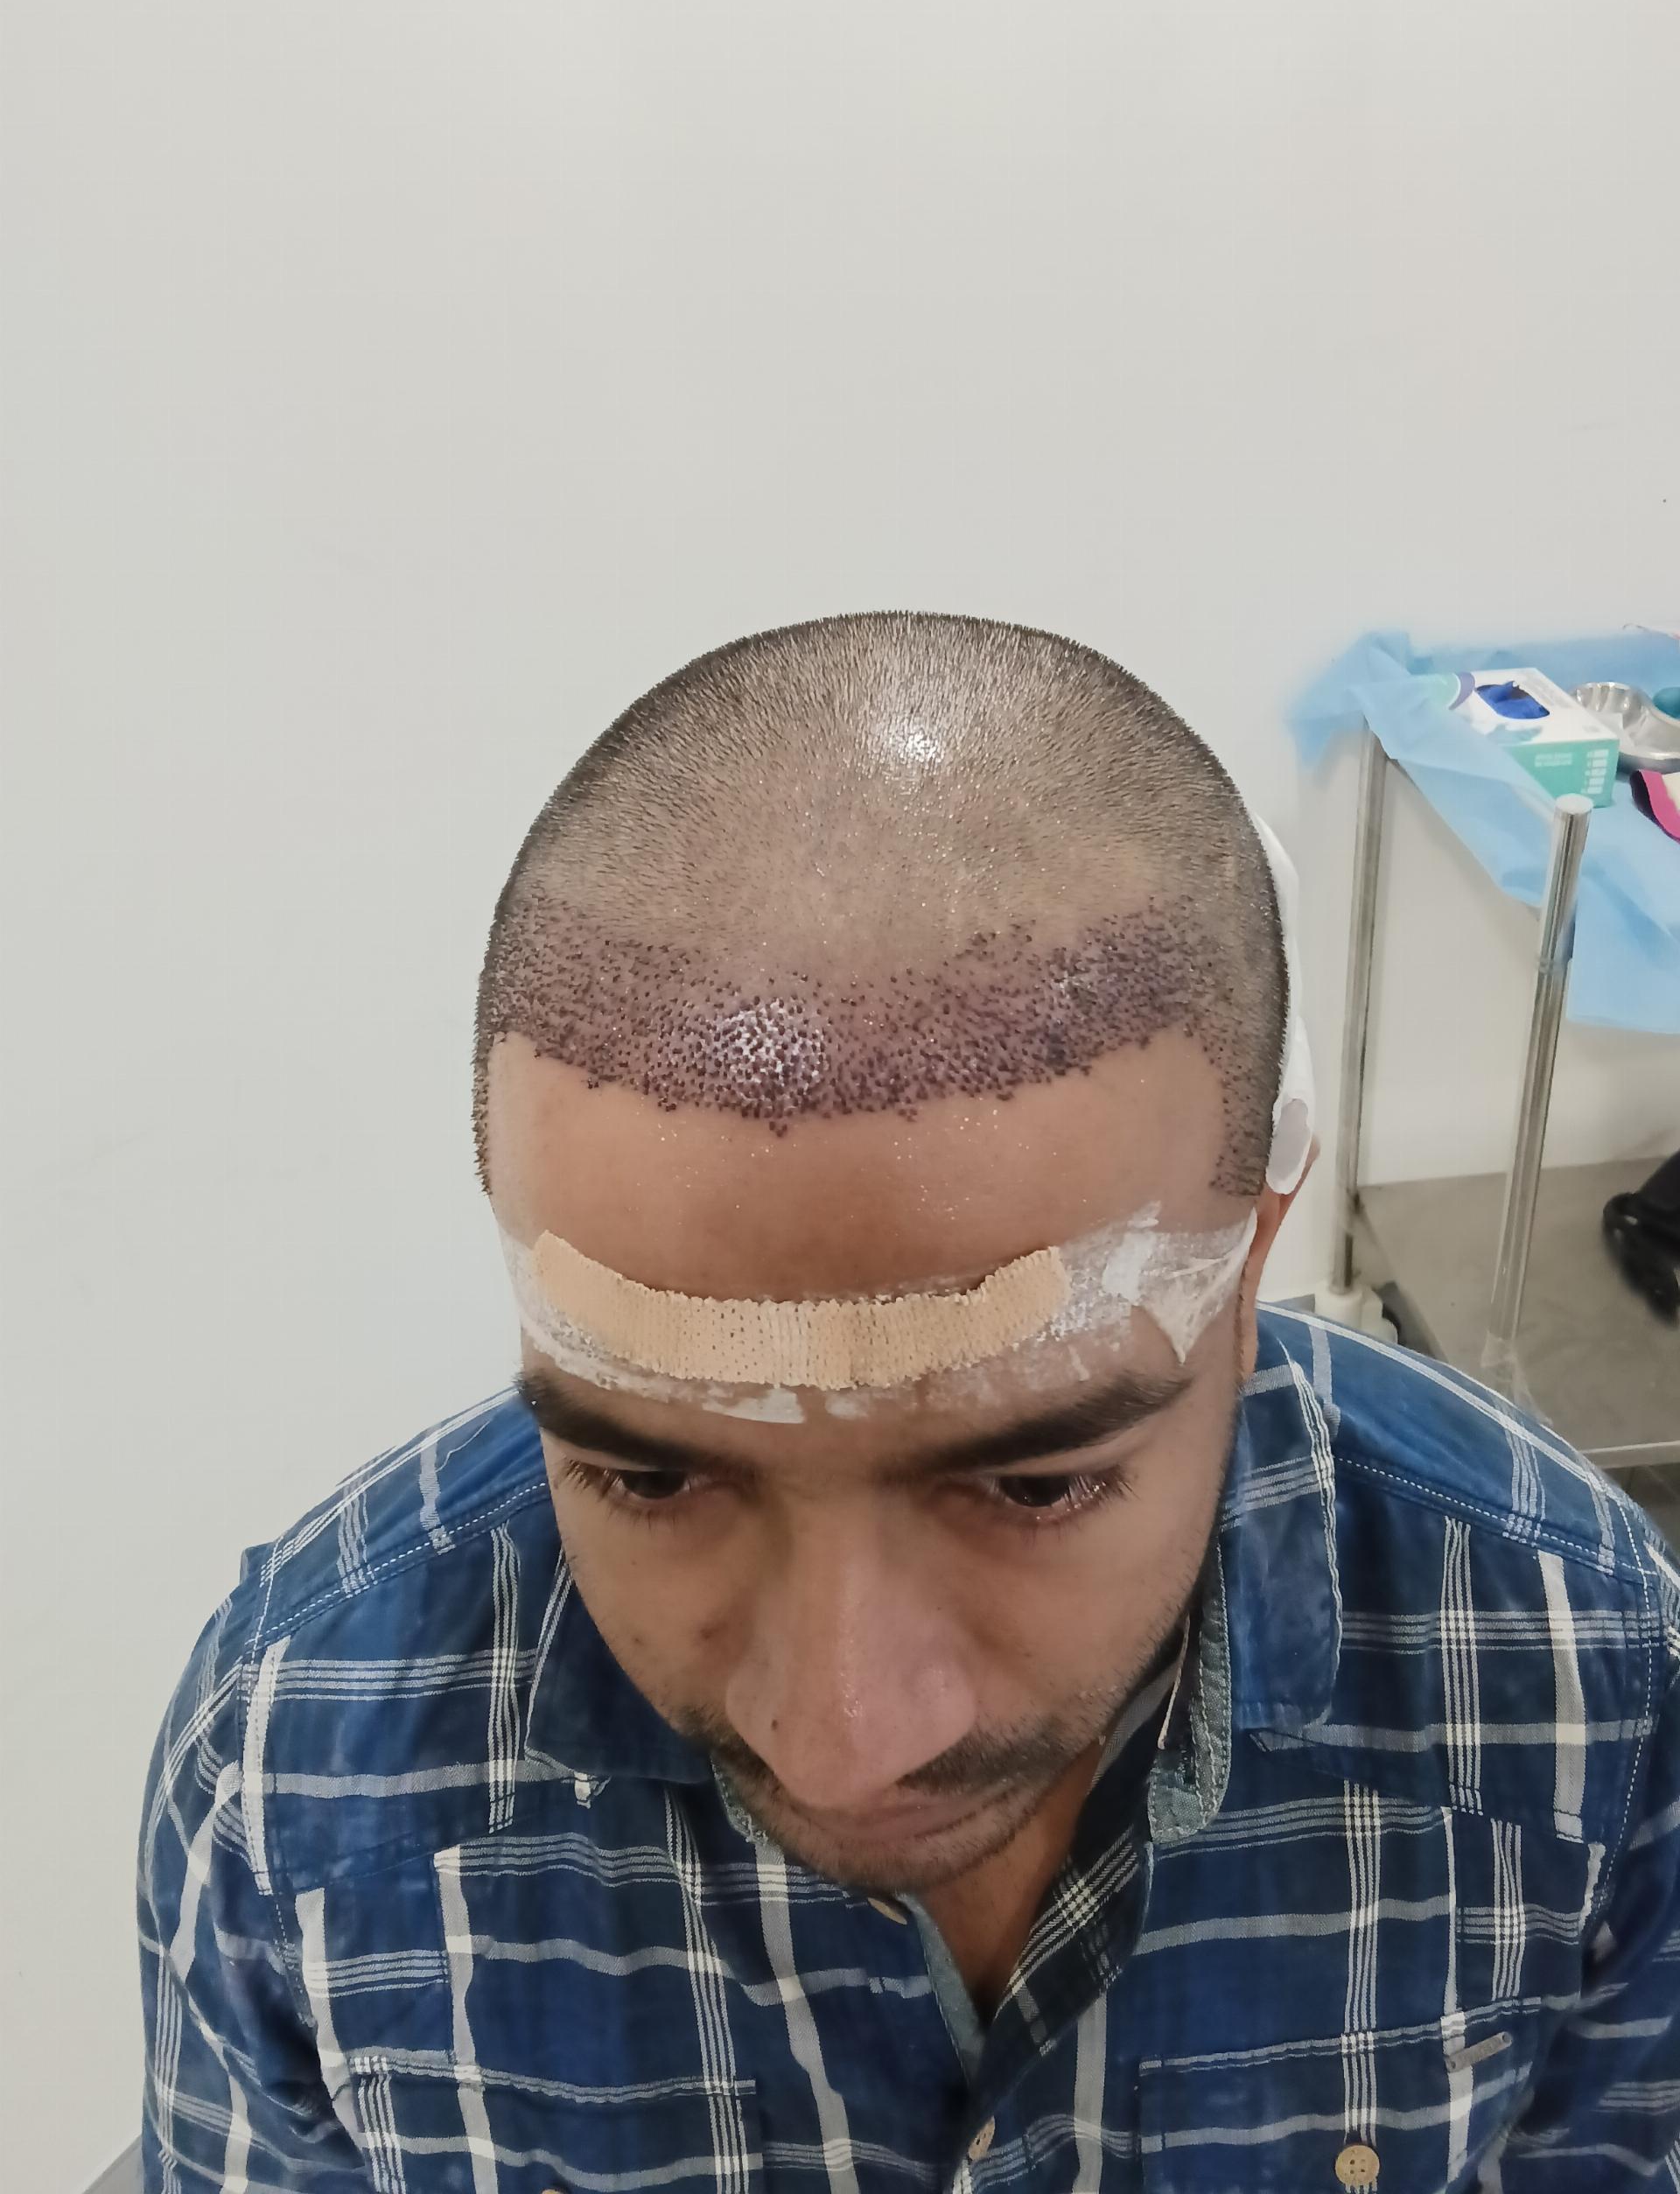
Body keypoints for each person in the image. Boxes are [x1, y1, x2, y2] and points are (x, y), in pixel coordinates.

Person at [138, 613, 1680, 2190]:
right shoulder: (299, 1768)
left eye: (1034, 1486)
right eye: (650, 1480)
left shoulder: (1588, 1685)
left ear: (1248, 1273)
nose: (842, 1738)